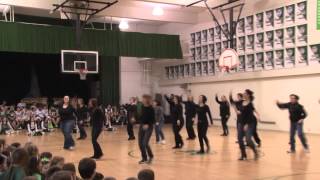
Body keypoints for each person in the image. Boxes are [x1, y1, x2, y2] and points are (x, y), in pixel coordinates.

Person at [237, 89, 260, 160]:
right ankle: (243, 155)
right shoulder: (241, 102)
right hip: (241, 122)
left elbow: (250, 115)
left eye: (245, 93)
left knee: (248, 139)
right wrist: (238, 111)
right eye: (243, 93)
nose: (243, 94)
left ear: (248, 95)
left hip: (250, 123)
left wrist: (247, 124)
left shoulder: (250, 104)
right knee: (240, 139)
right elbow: (235, 105)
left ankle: (255, 151)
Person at [138, 95, 155, 164]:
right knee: (140, 143)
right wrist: (138, 122)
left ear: (147, 99)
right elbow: (142, 117)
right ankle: (144, 158)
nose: (142, 100)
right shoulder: (142, 107)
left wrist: (147, 124)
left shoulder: (151, 108)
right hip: (142, 126)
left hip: (149, 127)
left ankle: (150, 156)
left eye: (143, 99)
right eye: (142, 98)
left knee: (145, 143)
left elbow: (153, 119)